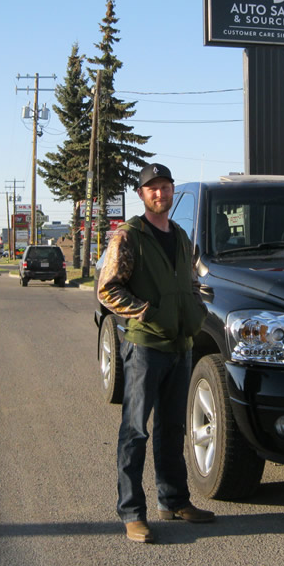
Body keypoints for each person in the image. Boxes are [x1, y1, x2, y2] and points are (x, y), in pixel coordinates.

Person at [97, 163, 214, 543]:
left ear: (172, 191)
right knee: (135, 431)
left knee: (172, 428)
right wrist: (146, 312)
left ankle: (174, 500)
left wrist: (195, 312)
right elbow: (108, 289)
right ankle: (132, 512)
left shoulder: (181, 236)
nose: (159, 193)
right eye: (152, 188)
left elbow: (193, 281)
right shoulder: (128, 236)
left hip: (180, 346)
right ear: (142, 195)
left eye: (164, 187)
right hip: (146, 347)